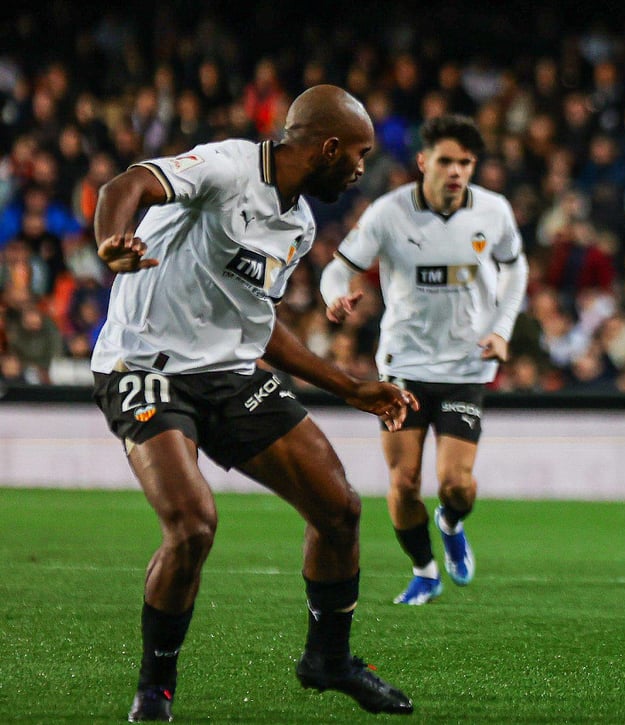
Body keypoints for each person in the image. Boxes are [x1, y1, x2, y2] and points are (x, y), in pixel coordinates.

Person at [91, 85, 419, 721]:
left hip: (228, 374)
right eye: (358, 154)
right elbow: (123, 188)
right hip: (145, 366)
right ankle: (154, 689)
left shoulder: (297, 224)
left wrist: (349, 388)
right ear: (327, 147)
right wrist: (113, 241)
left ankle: (328, 659)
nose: (361, 168)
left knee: (339, 509)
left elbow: (257, 323)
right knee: (192, 526)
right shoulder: (227, 167)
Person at [320, 114, 527, 606]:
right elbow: (339, 267)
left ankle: (451, 522)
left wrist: (501, 329)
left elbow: (515, 268)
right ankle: (424, 570)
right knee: (405, 480)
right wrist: (334, 296)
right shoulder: (388, 213)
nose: (456, 171)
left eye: (465, 162)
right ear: (422, 162)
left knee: (456, 485)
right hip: (404, 364)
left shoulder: (493, 212)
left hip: (464, 367)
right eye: (446, 161)